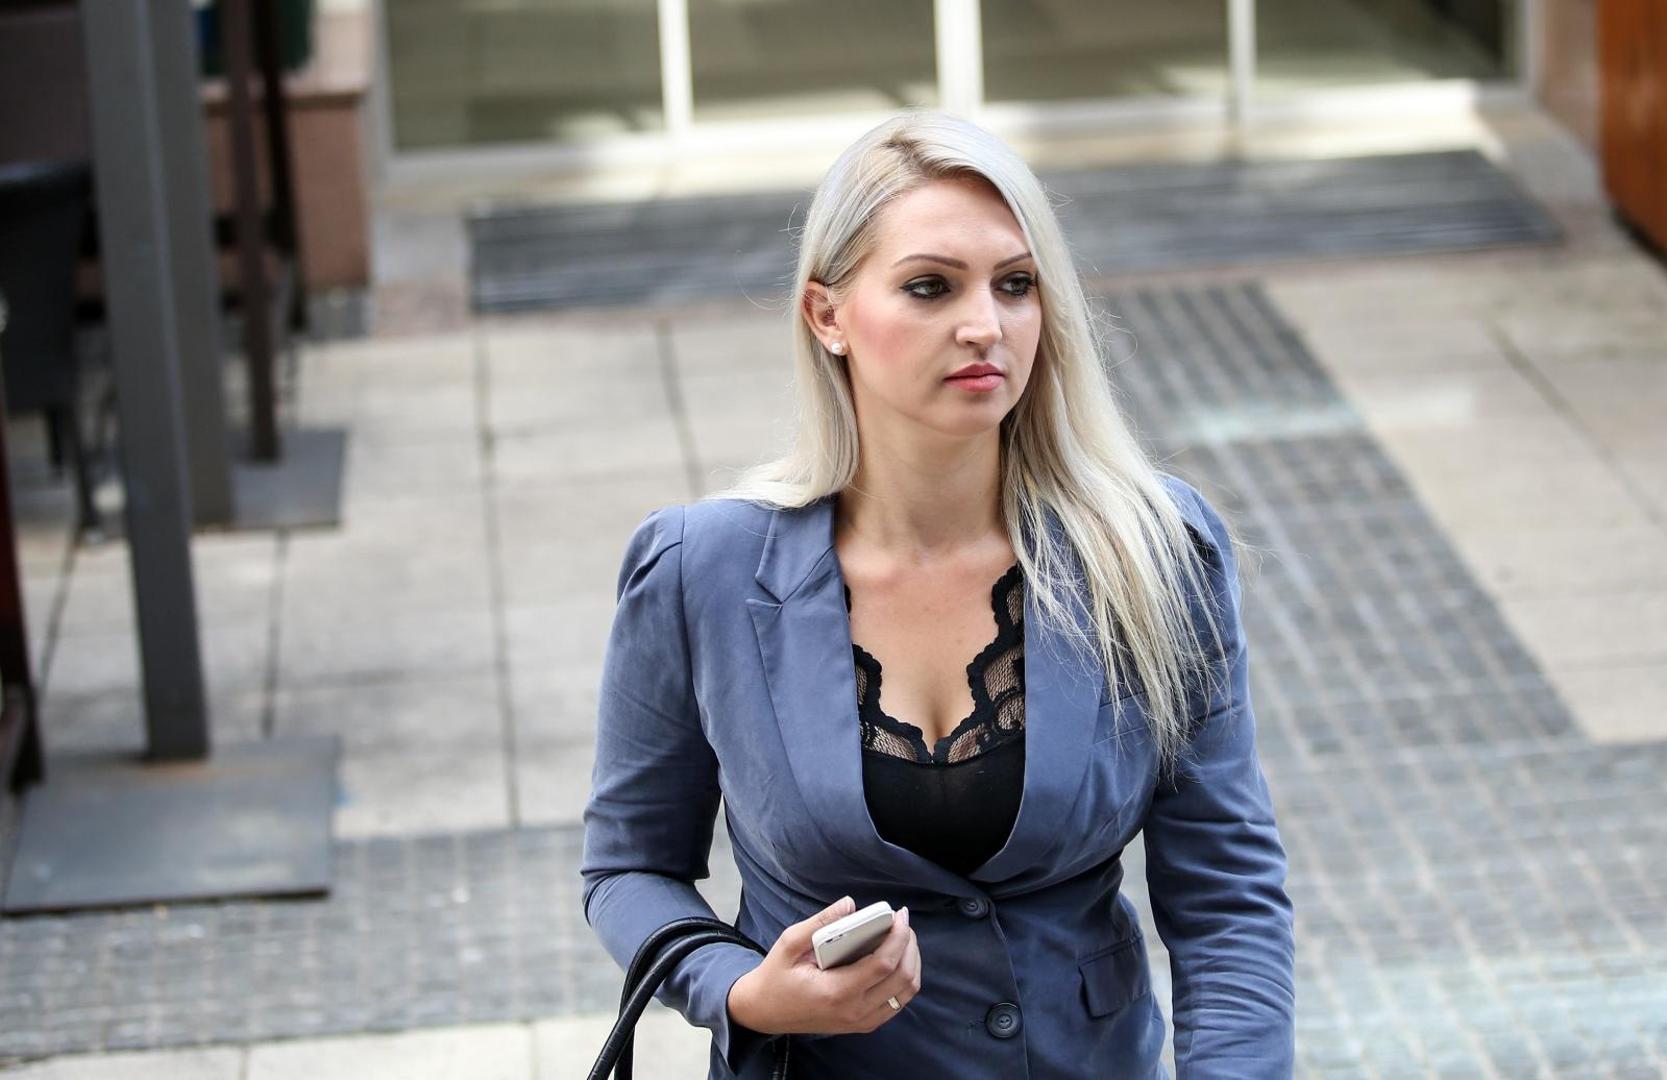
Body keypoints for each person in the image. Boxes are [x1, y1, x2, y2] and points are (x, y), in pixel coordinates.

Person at [580, 108, 1295, 1079]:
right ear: (826, 315)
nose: (984, 325)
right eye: (929, 287)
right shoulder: (698, 567)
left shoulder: (1152, 549)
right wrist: (742, 992)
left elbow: (1226, 893)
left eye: (1015, 284)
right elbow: (628, 867)